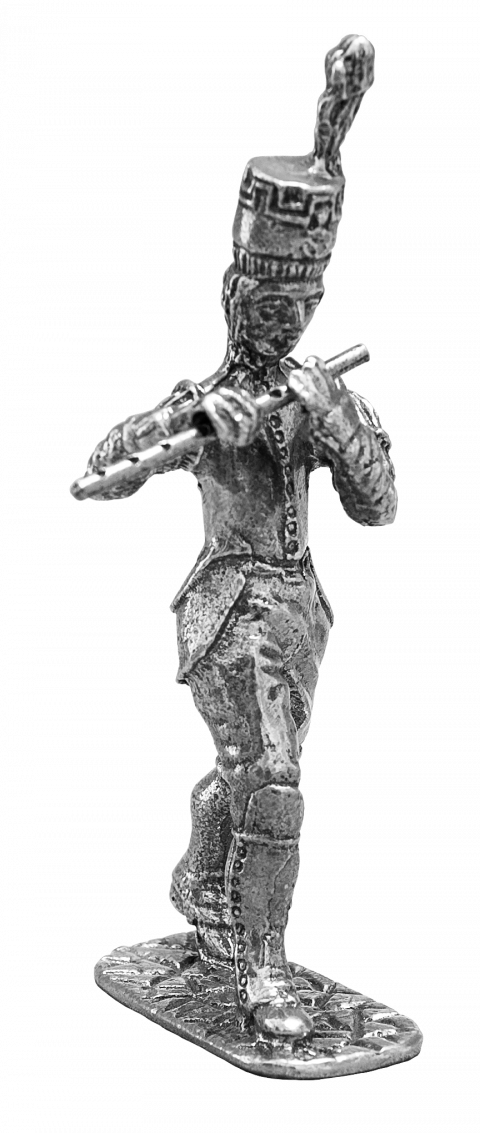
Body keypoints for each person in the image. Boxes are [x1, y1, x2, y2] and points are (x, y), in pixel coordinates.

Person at [85, 32, 398, 1044]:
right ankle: (263, 969)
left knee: (248, 774)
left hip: (299, 611)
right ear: (234, 300)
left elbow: (379, 503)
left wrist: (337, 424)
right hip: (230, 611)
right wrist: (194, 421)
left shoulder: (318, 390)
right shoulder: (210, 396)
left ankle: (199, 891)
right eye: (265, 304)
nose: (282, 321)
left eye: (297, 305)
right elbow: (107, 463)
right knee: (273, 787)